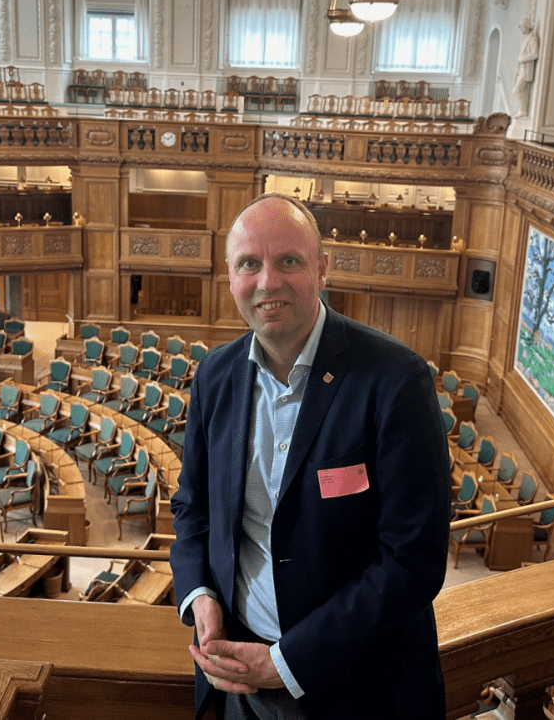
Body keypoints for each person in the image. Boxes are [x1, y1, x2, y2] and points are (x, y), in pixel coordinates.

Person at [170, 193, 451, 720]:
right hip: (239, 676)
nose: (267, 282)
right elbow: (192, 508)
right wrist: (200, 595)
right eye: (249, 264)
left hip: (359, 688)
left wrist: (288, 661)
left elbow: (413, 561)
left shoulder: (396, 380)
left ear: (322, 269)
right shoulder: (215, 376)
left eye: (289, 261)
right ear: (230, 276)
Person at [512, 17, 539, 118]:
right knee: (520, 90)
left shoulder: (532, 39)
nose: (522, 29)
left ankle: (522, 111)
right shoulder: (525, 40)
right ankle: (522, 110)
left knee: (517, 90)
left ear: (528, 27)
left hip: (527, 68)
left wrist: (522, 59)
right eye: (521, 27)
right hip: (522, 68)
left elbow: (535, 54)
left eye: (523, 27)